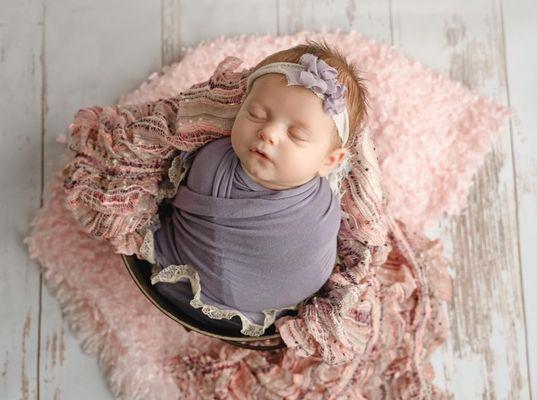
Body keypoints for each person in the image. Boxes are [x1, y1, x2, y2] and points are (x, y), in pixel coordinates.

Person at [145, 39, 369, 337]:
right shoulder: (211, 162)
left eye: (297, 134)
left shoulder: (323, 210)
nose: (269, 133)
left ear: (330, 161)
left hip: (189, 298)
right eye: (256, 115)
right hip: (262, 318)